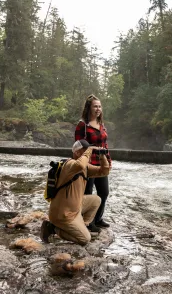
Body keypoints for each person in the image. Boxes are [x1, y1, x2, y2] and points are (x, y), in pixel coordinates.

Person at [40, 139, 110, 246]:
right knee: (85, 239)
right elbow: (80, 165)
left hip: (75, 209)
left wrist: (102, 156)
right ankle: (53, 228)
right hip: (63, 214)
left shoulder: (85, 167)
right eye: (85, 152)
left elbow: (104, 171)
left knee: (96, 199)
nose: (89, 155)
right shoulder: (69, 164)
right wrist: (90, 150)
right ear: (77, 153)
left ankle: (82, 226)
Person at [75, 94, 112, 232]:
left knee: (104, 192)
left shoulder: (101, 124)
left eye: (99, 106)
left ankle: (98, 219)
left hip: (101, 164)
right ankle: (87, 223)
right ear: (89, 108)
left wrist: (108, 161)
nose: (98, 109)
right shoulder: (82, 125)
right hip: (88, 165)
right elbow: (79, 146)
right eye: (95, 106)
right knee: (88, 194)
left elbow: (105, 145)